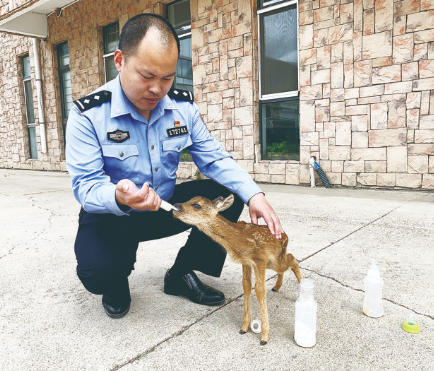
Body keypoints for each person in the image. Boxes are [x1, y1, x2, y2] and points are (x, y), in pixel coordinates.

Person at [66, 13, 284, 319]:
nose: (157, 89)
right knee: (97, 273)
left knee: (225, 193)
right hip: (112, 213)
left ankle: (181, 274)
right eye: (146, 76)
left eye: (167, 77)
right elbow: (86, 186)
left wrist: (254, 196)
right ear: (119, 60)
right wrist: (119, 195)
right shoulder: (88, 115)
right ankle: (116, 280)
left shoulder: (182, 107)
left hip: (165, 207)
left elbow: (214, 158)